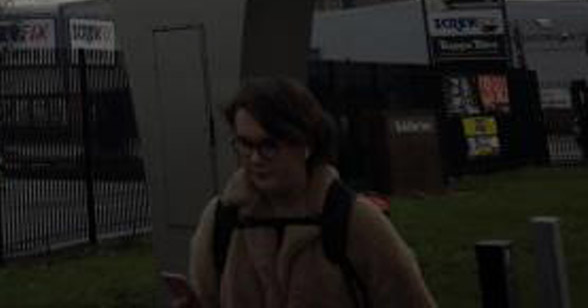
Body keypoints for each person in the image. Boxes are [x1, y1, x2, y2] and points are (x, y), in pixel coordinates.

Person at [172, 76, 435, 307]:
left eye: (269, 146)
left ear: (306, 144)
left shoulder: (354, 220)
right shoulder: (222, 220)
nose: (255, 158)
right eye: (244, 144)